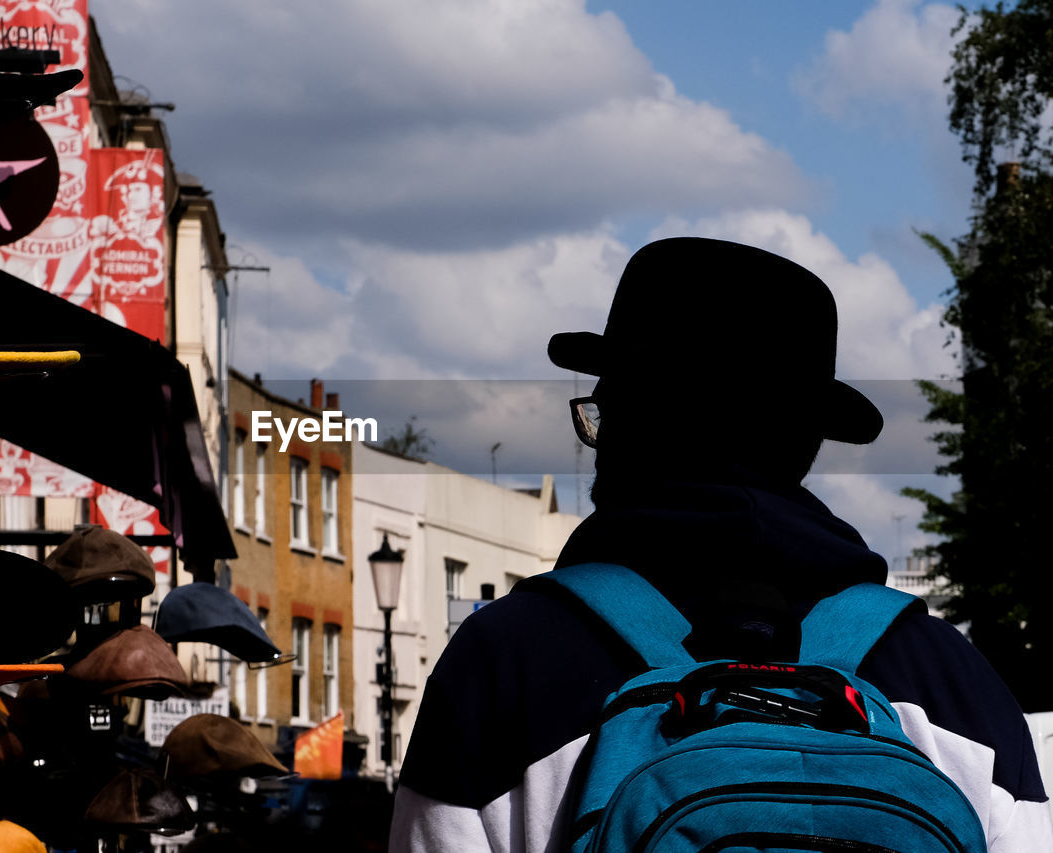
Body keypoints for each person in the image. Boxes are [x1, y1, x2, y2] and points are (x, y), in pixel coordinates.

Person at [388, 238, 1053, 852]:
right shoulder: (959, 688)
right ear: (808, 440)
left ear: (629, 422)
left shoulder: (502, 666)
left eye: (601, 413)